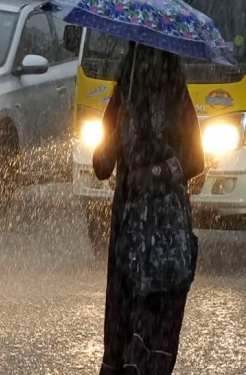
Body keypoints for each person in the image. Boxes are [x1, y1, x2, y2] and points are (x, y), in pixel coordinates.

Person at [93, 42, 205, 375]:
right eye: (142, 54)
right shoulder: (122, 96)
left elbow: (195, 159)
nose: (148, 62)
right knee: (123, 323)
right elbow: (100, 167)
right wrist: (112, 140)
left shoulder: (177, 97)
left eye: (154, 54)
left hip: (166, 232)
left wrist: (156, 173)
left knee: (153, 328)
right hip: (128, 234)